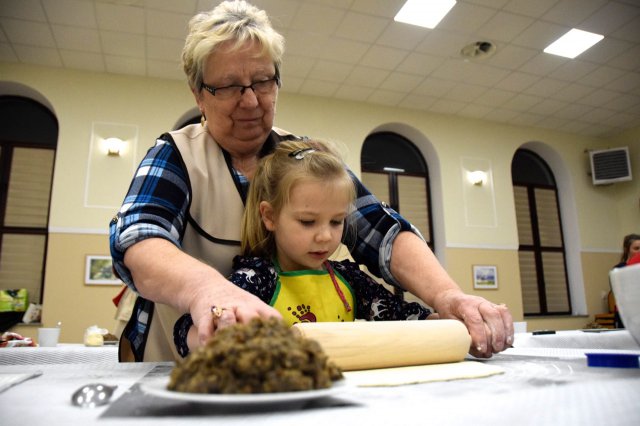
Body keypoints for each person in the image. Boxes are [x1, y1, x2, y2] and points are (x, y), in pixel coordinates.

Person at [109, 0, 513, 362]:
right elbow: (139, 237)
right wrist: (208, 293)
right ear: (199, 94)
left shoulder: (303, 160)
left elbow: (382, 230)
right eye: (231, 86)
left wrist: (448, 297)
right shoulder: (176, 155)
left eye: (263, 82)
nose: (250, 101)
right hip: (181, 368)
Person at [173, 139, 434, 356]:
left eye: (336, 221)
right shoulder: (258, 278)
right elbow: (186, 333)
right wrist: (221, 335)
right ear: (270, 216)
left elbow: (406, 317)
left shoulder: (349, 279)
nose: (325, 236)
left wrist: (453, 322)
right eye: (308, 222)